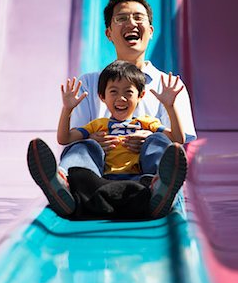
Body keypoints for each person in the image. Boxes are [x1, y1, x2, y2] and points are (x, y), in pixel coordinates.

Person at [27, 61, 187, 219]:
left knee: (158, 140)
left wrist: (170, 107)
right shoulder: (98, 125)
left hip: (142, 184)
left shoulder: (145, 123)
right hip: (99, 182)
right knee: (84, 145)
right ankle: (62, 183)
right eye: (114, 92)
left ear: (140, 96)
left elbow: (178, 138)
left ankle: (160, 185)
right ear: (102, 96)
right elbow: (64, 138)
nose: (121, 98)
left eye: (128, 92)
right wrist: (67, 109)